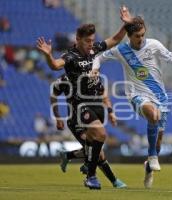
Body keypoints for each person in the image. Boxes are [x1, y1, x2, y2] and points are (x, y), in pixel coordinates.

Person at [91, 16, 172, 188]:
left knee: (158, 142)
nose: (141, 39)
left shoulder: (154, 45)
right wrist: (95, 69)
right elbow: (98, 57)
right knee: (153, 115)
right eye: (137, 36)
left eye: (142, 35)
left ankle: (149, 165)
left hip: (160, 96)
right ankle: (152, 157)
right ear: (129, 36)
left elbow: (170, 58)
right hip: (136, 95)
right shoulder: (121, 50)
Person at [37, 6, 133, 190]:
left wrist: (126, 25)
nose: (91, 44)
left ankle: (73, 159)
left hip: (94, 104)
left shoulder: (94, 50)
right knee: (101, 137)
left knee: (95, 150)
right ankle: (96, 177)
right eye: (87, 41)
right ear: (78, 39)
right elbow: (56, 65)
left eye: (92, 40)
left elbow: (115, 39)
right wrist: (48, 55)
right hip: (78, 108)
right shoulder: (70, 57)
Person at [50, 74, 126, 188]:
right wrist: (57, 116)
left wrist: (110, 111)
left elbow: (103, 92)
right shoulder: (63, 79)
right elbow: (53, 95)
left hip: (92, 115)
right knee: (98, 153)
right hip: (76, 120)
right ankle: (113, 180)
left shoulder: (91, 76)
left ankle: (69, 156)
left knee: (93, 148)